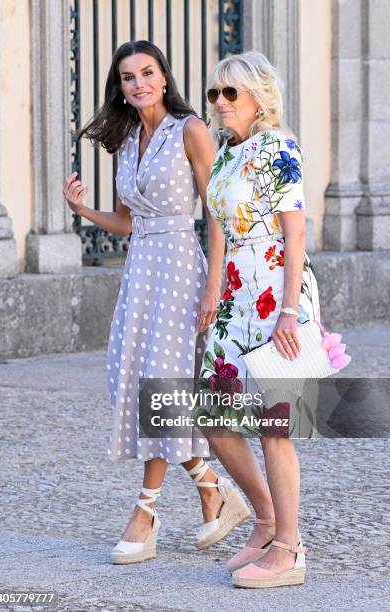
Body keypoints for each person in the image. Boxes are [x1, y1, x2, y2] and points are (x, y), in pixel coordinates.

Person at [63, 40, 250, 565]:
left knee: (160, 385)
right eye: (128, 77)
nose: (139, 83)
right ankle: (212, 488)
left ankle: (145, 513)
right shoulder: (126, 141)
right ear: (119, 88)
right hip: (140, 272)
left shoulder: (189, 130)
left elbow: (217, 213)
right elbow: (127, 222)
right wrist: (84, 209)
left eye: (147, 73)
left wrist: (214, 284)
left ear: (164, 78)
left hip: (180, 268)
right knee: (139, 381)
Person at [194, 50, 321, 588]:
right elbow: (218, 228)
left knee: (275, 427)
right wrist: (212, 291)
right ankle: (266, 521)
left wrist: (290, 312)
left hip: (276, 295)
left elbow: (295, 234)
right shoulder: (225, 154)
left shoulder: (278, 148)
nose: (220, 104)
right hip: (233, 301)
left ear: (257, 98)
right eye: (214, 94)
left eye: (230, 94)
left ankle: (290, 551)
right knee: (215, 416)